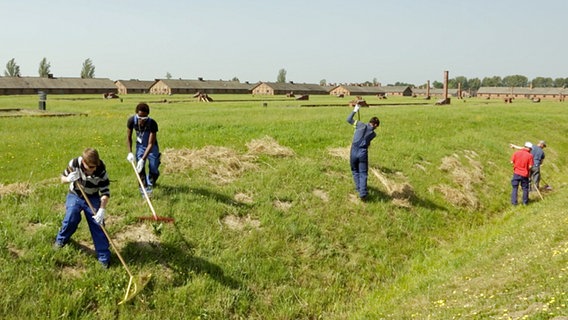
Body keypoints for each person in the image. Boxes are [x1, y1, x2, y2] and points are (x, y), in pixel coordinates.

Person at [54, 148, 111, 268]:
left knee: (98, 224)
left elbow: (105, 192)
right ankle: (61, 240)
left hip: (92, 197)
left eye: (94, 166)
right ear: (83, 162)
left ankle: (103, 257)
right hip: (75, 195)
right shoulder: (74, 164)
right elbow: (62, 178)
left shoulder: (101, 169)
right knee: (71, 216)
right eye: (90, 167)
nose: (93, 169)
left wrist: (101, 210)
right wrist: (68, 179)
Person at [346, 102, 380, 201]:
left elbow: (348, 120)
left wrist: (355, 110)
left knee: (354, 170)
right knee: (363, 173)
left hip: (354, 150)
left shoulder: (360, 124)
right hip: (363, 152)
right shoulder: (373, 134)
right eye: (376, 126)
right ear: (374, 124)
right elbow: (367, 141)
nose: (375, 128)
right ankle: (363, 193)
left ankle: (359, 189)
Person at [126, 102, 160, 193]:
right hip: (140, 146)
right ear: (136, 114)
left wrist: (143, 159)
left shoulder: (152, 123)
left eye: (144, 118)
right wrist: (130, 152)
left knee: (154, 167)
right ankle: (144, 189)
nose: (142, 120)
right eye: (139, 117)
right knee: (140, 168)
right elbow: (128, 137)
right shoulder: (131, 121)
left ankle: (151, 181)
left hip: (152, 148)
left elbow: (150, 144)